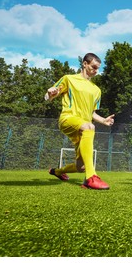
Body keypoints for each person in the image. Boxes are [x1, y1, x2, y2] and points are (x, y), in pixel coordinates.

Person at [46, 53, 115, 190]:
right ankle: (91, 178)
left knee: (81, 167)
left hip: (83, 128)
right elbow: (48, 96)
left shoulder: (96, 90)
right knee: (89, 127)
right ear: (84, 64)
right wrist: (50, 93)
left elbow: (92, 113)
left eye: (98, 69)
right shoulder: (69, 79)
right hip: (68, 119)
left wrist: (103, 120)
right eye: (93, 67)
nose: (96, 71)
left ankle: (57, 171)